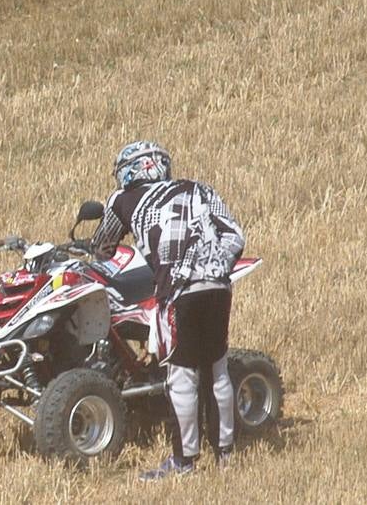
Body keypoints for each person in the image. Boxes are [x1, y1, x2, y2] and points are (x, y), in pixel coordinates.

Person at [89, 141, 246, 480]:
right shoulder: (200, 189)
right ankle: (226, 457)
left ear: (129, 170)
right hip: (218, 285)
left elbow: (102, 246)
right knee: (217, 368)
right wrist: (214, 265)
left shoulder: (123, 199)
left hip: (177, 291)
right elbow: (235, 235)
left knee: (181, 375)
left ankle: (184, 462)